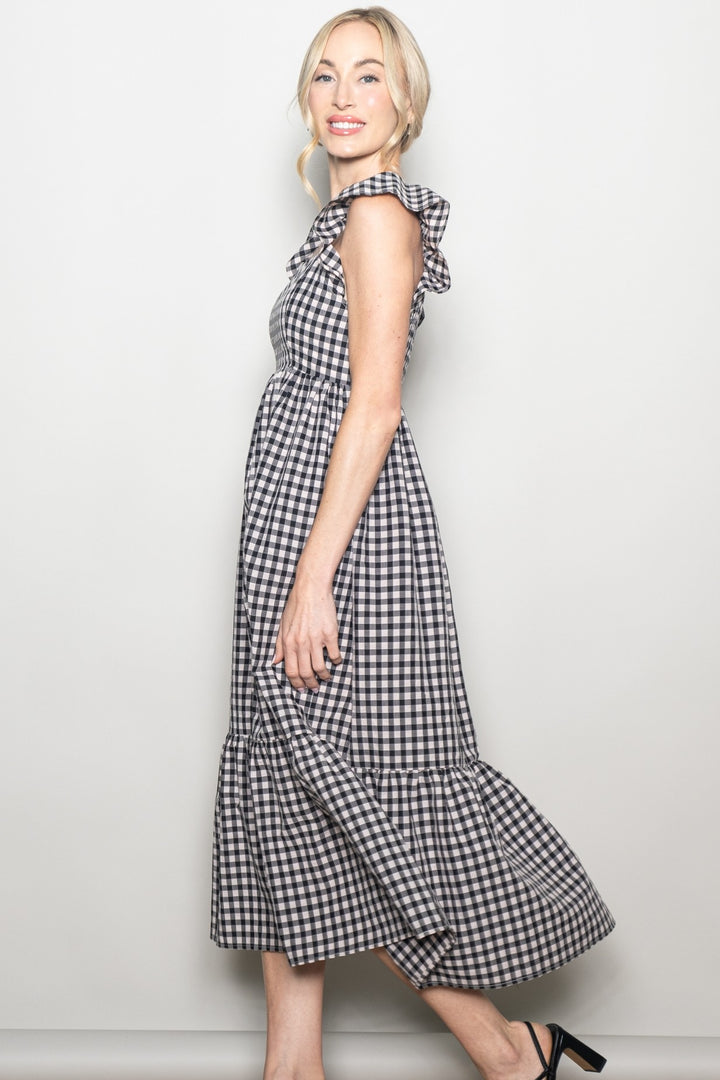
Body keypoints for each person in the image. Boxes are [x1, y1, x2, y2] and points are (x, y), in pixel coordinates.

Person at [211, 8, 614, 1079]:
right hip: (297, 532)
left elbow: (376, 405)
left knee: (347, 801)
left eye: (369, 76)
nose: (343, 96)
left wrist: (312, 581)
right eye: (325, 76)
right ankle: (300, 1067)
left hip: (345, 550)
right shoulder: (342, 220)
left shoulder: (381, 216)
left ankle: (509, 1053)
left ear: (405, 100)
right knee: (288, 796)